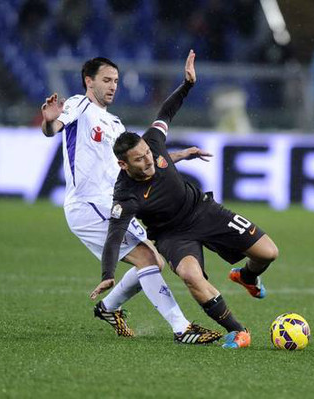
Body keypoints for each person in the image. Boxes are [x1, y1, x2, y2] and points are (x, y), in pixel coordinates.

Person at [99, 50, 279, 349]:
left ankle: (246, 277)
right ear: (123, 165)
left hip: (203, 210)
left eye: (148, 154)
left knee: (268, 253)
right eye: (140, 161)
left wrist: (187, 85)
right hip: (172, 235)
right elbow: (114, 235)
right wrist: (107, 274)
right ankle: (239, 331)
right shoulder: (125, 195)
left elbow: (166, 113)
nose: (149, 161)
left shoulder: (153, 143)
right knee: (189, 275)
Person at [40, 56, 221, 345]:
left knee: (155, 262)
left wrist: (178, 156)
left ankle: (109, 308)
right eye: (106, 80)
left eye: (115, 81)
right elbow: (56, 126)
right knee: (148, 258)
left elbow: (138, 162)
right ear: (89, 81)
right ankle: (181, 328)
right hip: (88, 205)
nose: (113, 87)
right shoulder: (78, 105)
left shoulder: (114, 123)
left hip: (110, 204)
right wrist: (49, 121)